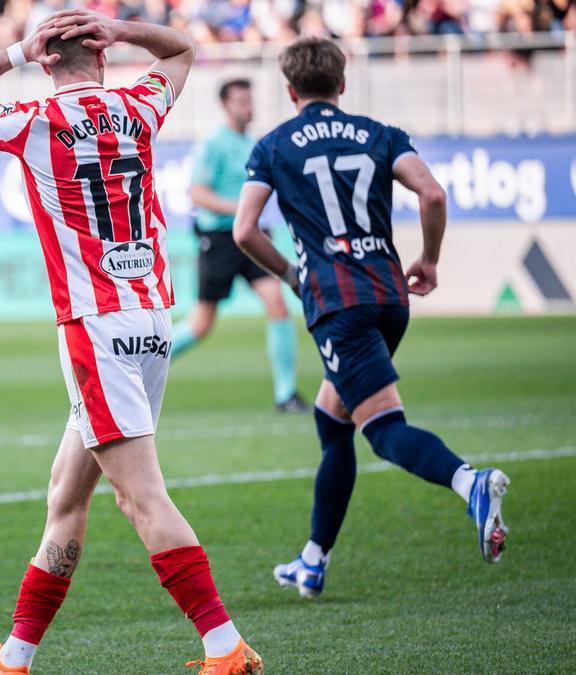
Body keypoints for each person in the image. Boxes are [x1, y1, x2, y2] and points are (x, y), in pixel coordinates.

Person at [0, 10, 262, 674]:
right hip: (150, 319)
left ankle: (224, 647)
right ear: (103, 57)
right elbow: (186, 52)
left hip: (96, 327)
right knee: (65, 493)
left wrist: (17, 51)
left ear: (49, 62)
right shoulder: (138, 105)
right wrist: (127, 27)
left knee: (141, 496)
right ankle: (14, 658)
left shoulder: (32, 122)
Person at [232, 37, 510, 598]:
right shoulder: (381, 134)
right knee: (332, 419)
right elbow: (431, 194)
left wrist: (291, 275)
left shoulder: (274, 146)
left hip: (338, 306)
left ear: (290, 91)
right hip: (389, 296)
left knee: (383, 431)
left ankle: (470, 483)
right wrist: (429, 259)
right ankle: (313, 559)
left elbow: (244, 230)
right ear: (343, 83)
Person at [172, 78, 308, 413]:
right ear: (225, 105)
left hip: (250, 237)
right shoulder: (214, 144)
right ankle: (135, 370)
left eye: (250, 99)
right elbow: (197, 194)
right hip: (219, 238)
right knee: (201, 323)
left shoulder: (252, 143)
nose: (248, 106)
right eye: (241, 101)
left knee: (277, 302)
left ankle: (285, 394)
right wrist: (243, 210)